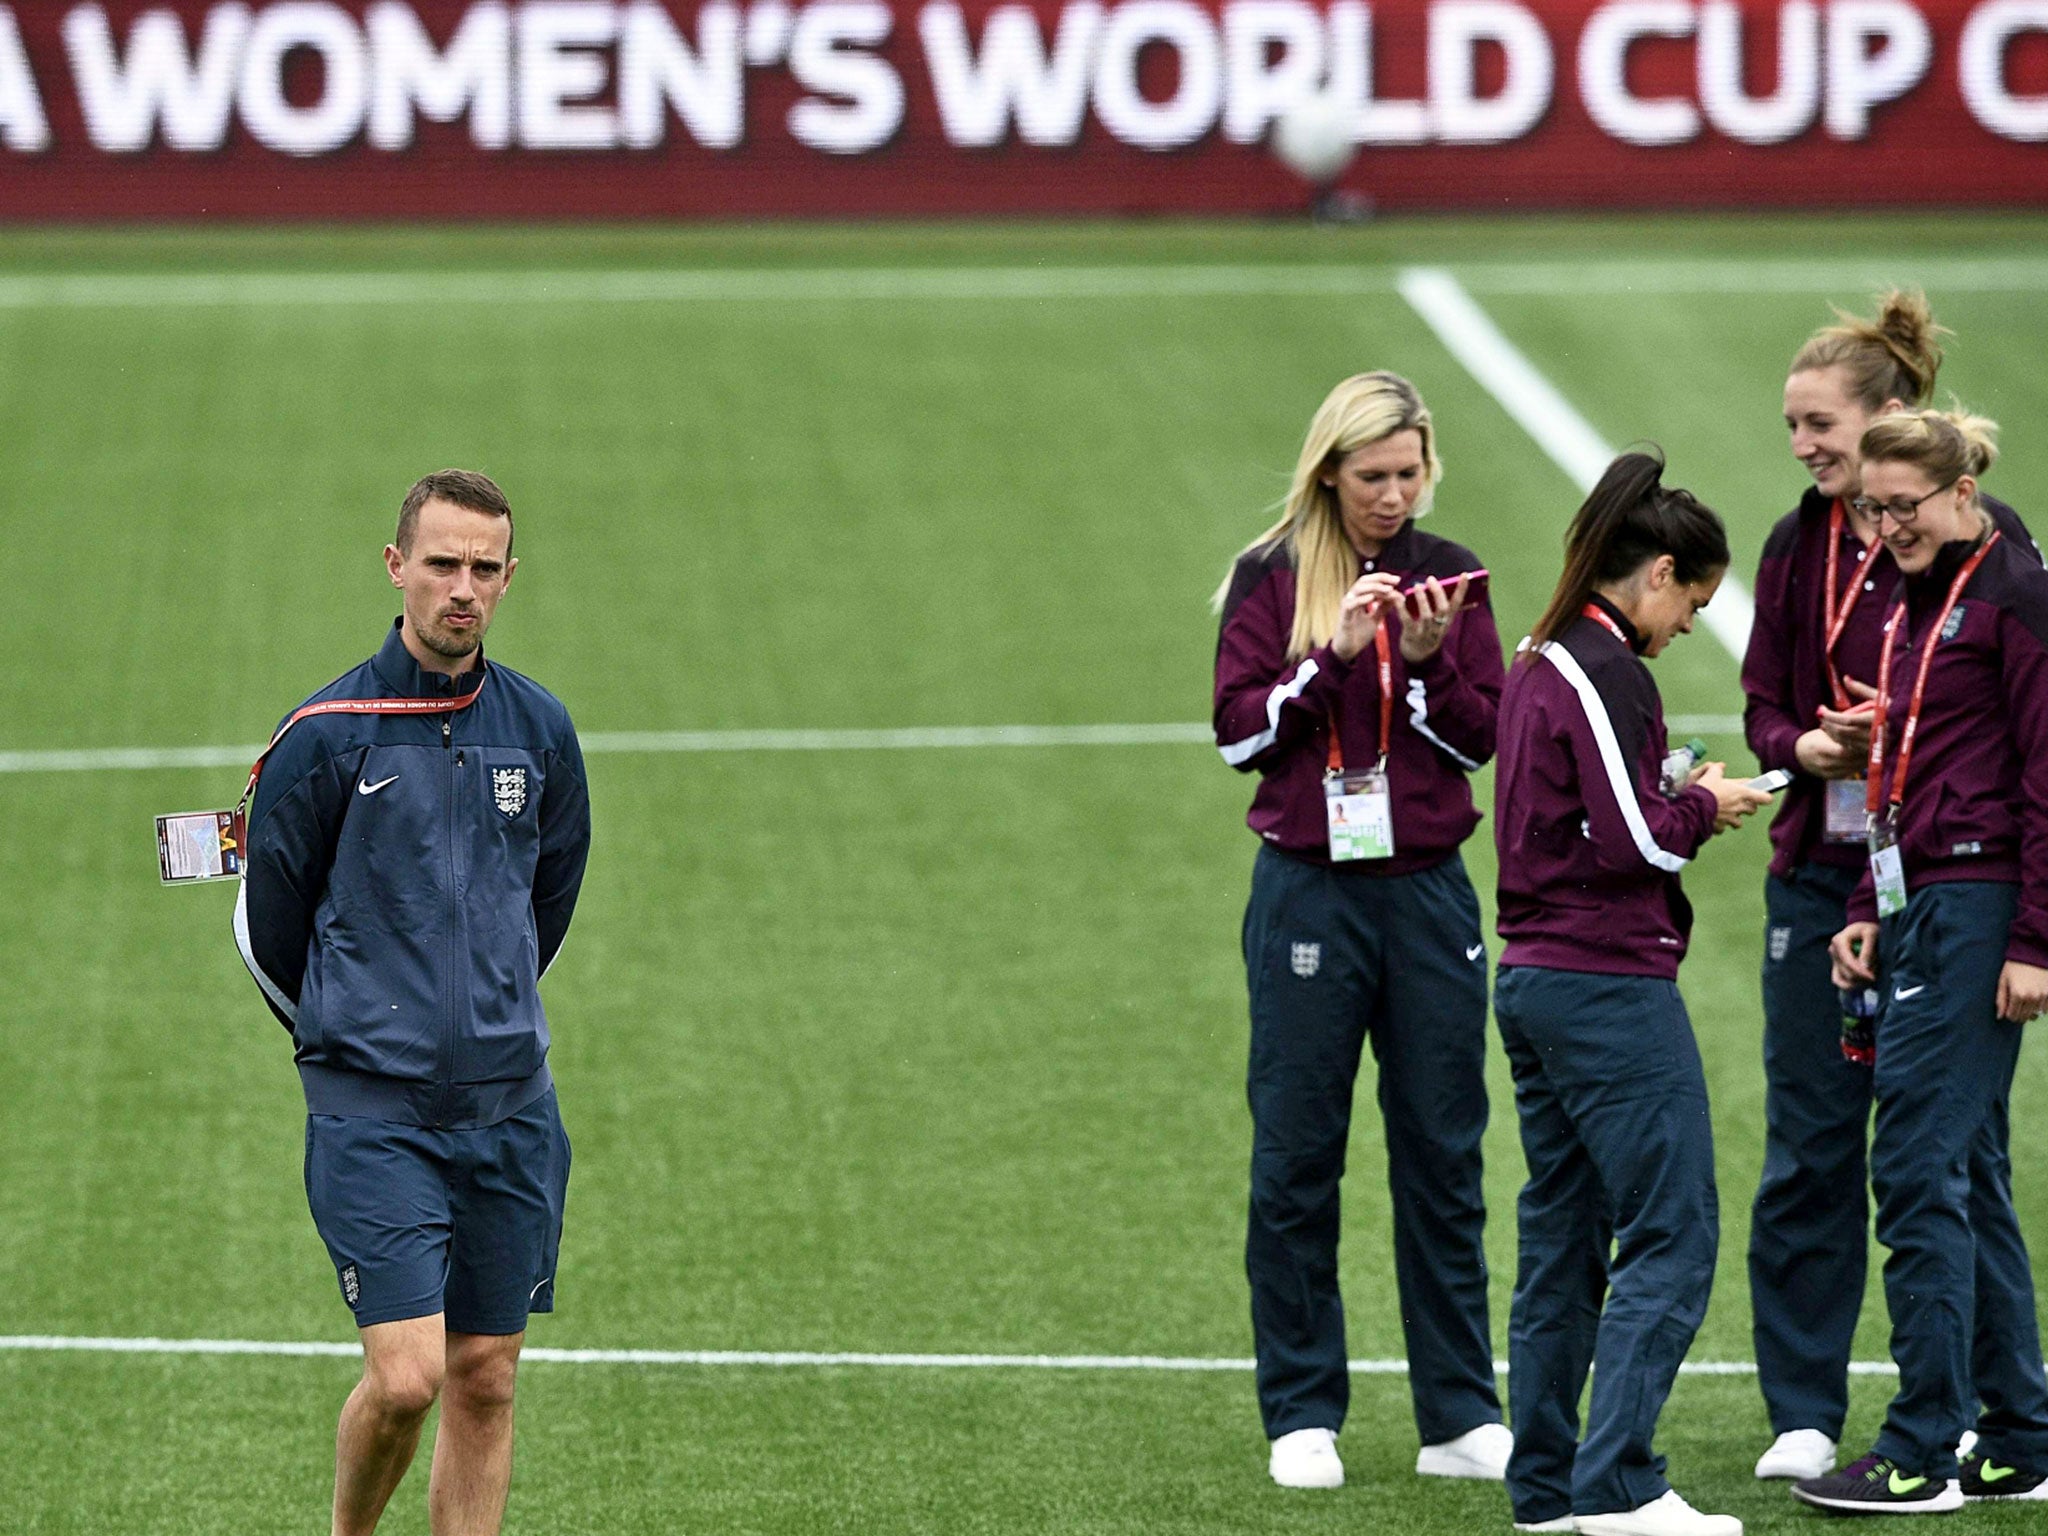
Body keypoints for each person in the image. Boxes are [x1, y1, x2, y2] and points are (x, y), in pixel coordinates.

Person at [234, 470, 591, 1536]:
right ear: (397, 567)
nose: (463, 589)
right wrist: (351, 1037)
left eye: (486, 569)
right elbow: (267, 923)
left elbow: (549, 902)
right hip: (373, 1113)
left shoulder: (540, 731)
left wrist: (482, 1011)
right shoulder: (327, 735)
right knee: (404, 1380)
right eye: (442, 563)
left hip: (508, 1108)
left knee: (484, 1377)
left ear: (508, 579)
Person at [1743, 292, 2043, 1484]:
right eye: (1868, 510)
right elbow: (1872, 750)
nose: (1875, 525)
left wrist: (2032, 934)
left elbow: (2032, 769)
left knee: (1924, 1161)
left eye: (1891, 505)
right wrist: (1864, 887)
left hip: (1972, 897)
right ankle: (2007, 1431)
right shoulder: (1875, 578)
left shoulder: (1999, 583)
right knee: (1901, 1156)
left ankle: (1929, 1437)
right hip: (1886, 891)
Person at [1212, 371, 1512, 1490]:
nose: (1392, 496)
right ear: (1328, 473)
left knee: (1441, 1150)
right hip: (1307, 891)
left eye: (1407, 475)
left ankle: (1457, 1417)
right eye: (1372, 476)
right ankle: (1300, 1411)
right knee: (1296, 1155)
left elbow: (1485, 745)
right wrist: (1325, 660)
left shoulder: (1450, 578)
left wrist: (1427, 671)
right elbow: (1238, 739)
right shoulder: (1272, 577)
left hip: (1428, 892)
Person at [1492, 451, 1769, 1536]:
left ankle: (1548, 1489)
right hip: (1600, 986)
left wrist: (1672, 796)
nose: (1687, 628)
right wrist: (1705, 802)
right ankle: (1615, 1487)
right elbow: (1634, 840)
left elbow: (1581, 813)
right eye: (1691, 604)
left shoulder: (1535, 659)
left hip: (1533, 979)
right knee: (1671, 1231)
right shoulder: (1605, 671)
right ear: (1656, 573)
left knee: (1561, 1236)